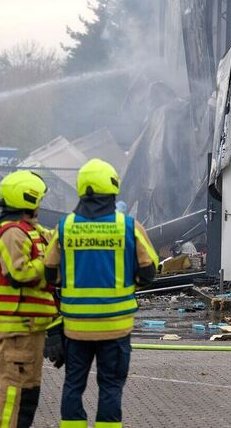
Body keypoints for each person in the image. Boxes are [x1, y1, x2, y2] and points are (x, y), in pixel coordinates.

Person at [45, 158, 159, 428]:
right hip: (115, 327)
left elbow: (50, 273)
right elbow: (149, 271)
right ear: (113, 187)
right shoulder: (128, 226)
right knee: (110, 386)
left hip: (75, 328)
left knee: (73, 384)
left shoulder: (65, 227)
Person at [0, 170, 58, 428]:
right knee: (14, 396)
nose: (40, 206)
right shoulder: (12, 232)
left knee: (28, 396)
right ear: (28, 199)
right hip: (16, 331)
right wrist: (48, 266)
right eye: (38, 200)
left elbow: (55, 239)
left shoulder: (31, 230)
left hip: (30, 329)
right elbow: (18, 272)